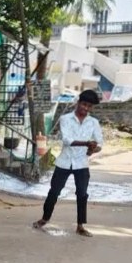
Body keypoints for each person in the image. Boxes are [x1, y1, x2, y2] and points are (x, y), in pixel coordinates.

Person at [33, 89, 104, 237]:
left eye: (90, 106)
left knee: (82, 194)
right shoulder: (65, 118)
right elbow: (67, 140)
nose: (86, 108)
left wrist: (93, 149)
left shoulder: (94, 122)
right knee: (54, 192)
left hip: (82, 163)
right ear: (78, 102)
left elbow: (100, 143)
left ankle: (80, 226)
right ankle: (44, 218)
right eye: (84, 104)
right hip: (64, 162)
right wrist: (87, 143)